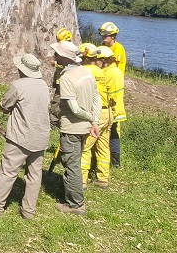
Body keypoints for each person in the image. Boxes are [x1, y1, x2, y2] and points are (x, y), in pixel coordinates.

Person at [0, 52, 51, 220]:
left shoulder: (18, 85)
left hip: (20, 137)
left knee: (7, 172)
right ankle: (28, 211)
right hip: (41, 136)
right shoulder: (44, 85)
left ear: (22, 69)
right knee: (34, 174)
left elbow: (5, 106)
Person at [51, 40, 101, 215]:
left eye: (57, 54)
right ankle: (74, 195)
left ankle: (75, 204)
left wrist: (90, 118)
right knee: (75, 162)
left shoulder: (66, 78)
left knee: (71, 165)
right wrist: (94, 121)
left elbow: (74, 109)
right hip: (85, 128)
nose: (54, 56)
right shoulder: (86, 72)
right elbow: (96, 98)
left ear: (64, 58)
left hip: (72, 128)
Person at [80, 45, 112, 189]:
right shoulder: (99, 70)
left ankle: (81, 180)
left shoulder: (85, 71)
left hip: (96, 113)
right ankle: (103, 179)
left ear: (85, 57)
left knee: (85, 147)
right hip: (107, 112)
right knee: (103, 147)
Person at [99, 21, 126, 167]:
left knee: (114, 129)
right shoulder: (103, 47)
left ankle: (115, 161)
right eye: (102, 36)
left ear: (113, 36)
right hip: (107, 89)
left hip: (113, 91)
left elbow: (116, 70)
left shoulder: (118, 49)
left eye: (106, 36)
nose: (103, 39)